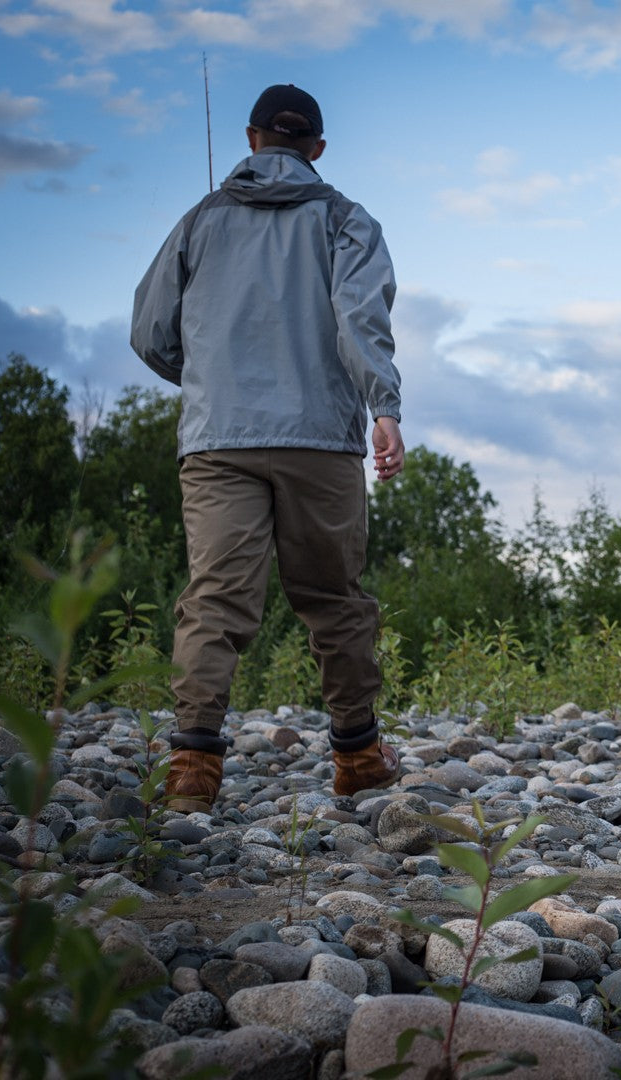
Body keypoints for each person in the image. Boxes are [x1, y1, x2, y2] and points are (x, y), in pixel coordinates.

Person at [130, 83, 405, 812]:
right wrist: (385, 409)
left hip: (218, 440)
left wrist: (213, 379)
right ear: (316, 150)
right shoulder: (348, 221)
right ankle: (357, 758)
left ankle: (192, 766)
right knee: (333, 601)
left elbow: (150, 334)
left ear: (253, 140)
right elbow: (359, 320)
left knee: (216, 599)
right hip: (321, 441)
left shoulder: (199, 220)